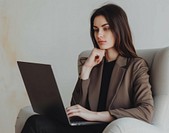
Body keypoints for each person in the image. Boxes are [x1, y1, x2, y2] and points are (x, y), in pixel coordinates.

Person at [21, 3, 154, 133]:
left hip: (108, 129)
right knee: (35, 121)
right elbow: (76, 108)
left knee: (36, 124)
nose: (99, 35)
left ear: (119, 29)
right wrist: (86, 70)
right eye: (96, 29)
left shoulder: (136, 66)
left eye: (106, 28)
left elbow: (146, 111)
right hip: (84, 128)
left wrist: (96, 115)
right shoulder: (92, 63)